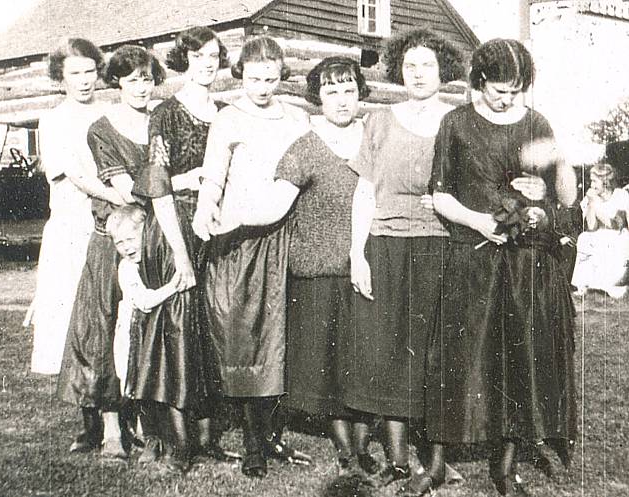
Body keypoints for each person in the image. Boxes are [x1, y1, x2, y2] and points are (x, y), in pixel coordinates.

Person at [414, 39, 577, 497]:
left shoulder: (536, 123)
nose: (508, 99)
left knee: (515, 357)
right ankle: (438, 462)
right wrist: (479, 221)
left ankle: (504, 469)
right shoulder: (456, 124)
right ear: (480, 81)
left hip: (525, 262)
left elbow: (564, 196)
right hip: (472, 254)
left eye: (517, 91)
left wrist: (553, 170)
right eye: (501, 89)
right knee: (457, 358)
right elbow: (441, 194)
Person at [232, 56, 376, 477]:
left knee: (363, 362)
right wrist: (229, 215)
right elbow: (274, 204)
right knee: (328, 369)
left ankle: (362, 444)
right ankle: (348, 451)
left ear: (360, 92)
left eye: (349, 89)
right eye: (331, 91)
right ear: (317, 97)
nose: (342, 100)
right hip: (316, 271)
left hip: (367, 267)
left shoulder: (372, 140)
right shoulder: (305, 146)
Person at [349, 29, 465, 490]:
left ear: (444, 71)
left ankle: (434, 454)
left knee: (435, 351)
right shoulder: (378, 120)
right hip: (387, 244)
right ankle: (397, 455)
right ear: (399, 68)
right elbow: (364, 191)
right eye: (410, 65)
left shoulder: (458, 122)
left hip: (441, 246)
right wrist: (357, 254)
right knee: (391, 348)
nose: (418, 74)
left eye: (428, 66)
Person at [192, 35, 311, 478]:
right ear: (241, 74)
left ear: (281, 76)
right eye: (255, 78)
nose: (263, 87)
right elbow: (213, 176)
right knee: (242, 334)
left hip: (283, 235)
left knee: (279, 334)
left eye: (271, 78)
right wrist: (205, 214)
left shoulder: (297, 119)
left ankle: (272, 431)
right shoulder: (229, 118)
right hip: (237, 237)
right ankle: (251, 440)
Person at [128, 26, 237, 472]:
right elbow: (155, 187)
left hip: (219, 229)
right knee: (174, 334)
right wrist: (180, 253)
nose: (207, 63)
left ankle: (208, 437)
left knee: (209, 334)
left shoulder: (229, 112)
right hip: (174, 230)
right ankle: (176, 442)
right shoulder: (166, 114)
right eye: (197, 56)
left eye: (213, 55)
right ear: (183, 60)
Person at [57, 45, 165, 460]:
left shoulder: (161, 122)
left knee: (148, 326)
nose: (141, 86)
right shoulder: (101, 127)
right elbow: (114, 188)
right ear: (117, 81)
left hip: (155, 234)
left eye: (148, 78)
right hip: (111, 236)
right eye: (133, 78)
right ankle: (111, 430)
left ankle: (147, 421)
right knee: (102, 329)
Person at [28, 38, 123, 375]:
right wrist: (114, 196)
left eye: (90, 71)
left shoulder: (111, 113)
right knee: (71, 299)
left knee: (113, 300)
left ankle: (114, 380)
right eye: (75, 73)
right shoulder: (53, 120)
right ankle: (75, 380)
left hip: (114, 220)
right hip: (73, 221)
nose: (84, 80)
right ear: (61, 77)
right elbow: (75, 174)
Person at [107, 206, 184, 397]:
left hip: (147, 329)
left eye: (131, 239)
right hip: (133, 332)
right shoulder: (127, 267)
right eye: (119, 243)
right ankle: (140, 424)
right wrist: (174, 285)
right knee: (137, 380)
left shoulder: (152, 260)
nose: (126, 247)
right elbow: (144, 301)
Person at [571, 163, 629, 298]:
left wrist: (599, 208)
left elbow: (618, 224)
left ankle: (612, 286)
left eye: (594, 181)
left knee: (613, 241)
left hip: (618, 233)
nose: (591, 184)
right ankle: (584, 285)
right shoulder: (590, 197)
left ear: (605, 182)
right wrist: (592, 203)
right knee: (584, 238)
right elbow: (591, 227)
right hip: (600, 232)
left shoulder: (620, 195)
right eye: (590, 180)